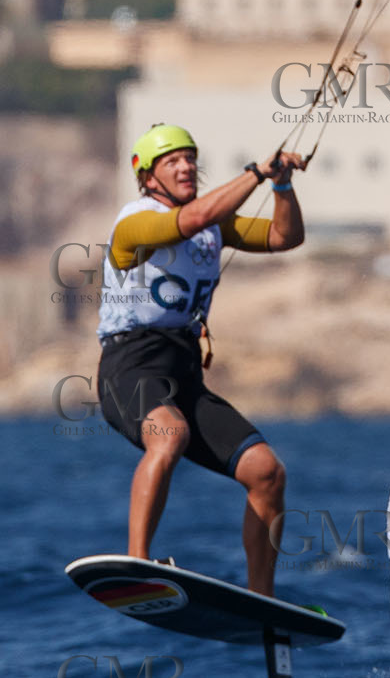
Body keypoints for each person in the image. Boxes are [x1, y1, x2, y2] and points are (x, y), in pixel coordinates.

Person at [97, 123, 307, 596]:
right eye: (172, 161)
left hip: (184, 372)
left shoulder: (214, 226)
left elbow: (284, 237)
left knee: (267, 471)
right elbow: (188, 222)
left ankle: (262, 598)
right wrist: (255, 171)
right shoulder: (134, 222)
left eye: (190, 158)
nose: (186, 166)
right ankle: (137, 561)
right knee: (168, 435)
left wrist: (282, 184)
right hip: (129, 368)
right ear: (147, 177)